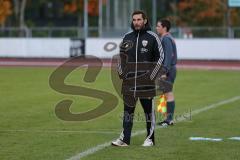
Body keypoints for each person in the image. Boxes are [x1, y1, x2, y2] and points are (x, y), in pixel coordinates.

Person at [111, 10, 165, 147]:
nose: (136, 22)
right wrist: (122, 74)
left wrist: (151, 76)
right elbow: (120, 58)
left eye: (139, 20)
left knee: (148, 113)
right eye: (134, 20)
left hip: (146, 83)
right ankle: (124, 139)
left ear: (145, 20)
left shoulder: (153, 37)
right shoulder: (127, 37)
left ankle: (150, 139)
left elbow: (160, 58)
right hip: (129, 83)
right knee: (127, 113)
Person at [156, 19, 177, 126]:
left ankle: (169, 119)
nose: (157, 28)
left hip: (168, 70)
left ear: (164, 28)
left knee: (168, 93)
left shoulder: (166, 39)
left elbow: (169, 56)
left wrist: (164, 71)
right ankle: (167, 118)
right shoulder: (166, 38)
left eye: (158, 26)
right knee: (166, 93)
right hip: (167, 69)